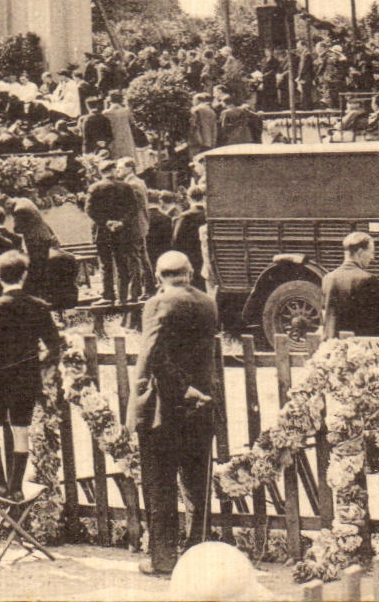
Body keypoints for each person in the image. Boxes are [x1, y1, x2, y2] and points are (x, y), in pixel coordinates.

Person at [130, 251, 221, 577]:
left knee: (160, 486)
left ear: (158, 276)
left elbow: (153, 355)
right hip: (201, 408)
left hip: (163, 410)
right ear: (191, 272)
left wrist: (181, 388)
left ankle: (163, 559)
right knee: (197, 486)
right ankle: (196, 556)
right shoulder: (208, 302)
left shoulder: (159, 302)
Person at [0, 251, 61, 501]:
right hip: (27, 380)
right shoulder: (38, 306)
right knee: (21, 430)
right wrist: (36, 365)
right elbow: (54, 346)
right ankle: (16, 487)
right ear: (24, 275)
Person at [85, 161, 145, 304]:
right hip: (122, 231)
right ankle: (124, 296)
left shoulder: (95, 188)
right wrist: (121, 222)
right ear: (113, 171)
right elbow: (134, 208)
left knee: (105, 264)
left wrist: (106, 222)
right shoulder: (125, 187)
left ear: (101, 172)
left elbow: (90, 210)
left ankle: (108, 295)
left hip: (102, 231)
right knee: (122, 262)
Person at [320, 232, 379, 338]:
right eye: (371, 252)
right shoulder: (368, 279)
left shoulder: (328, 278)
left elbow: (324, 317)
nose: (372, 257)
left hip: (333, 348)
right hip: (359, 348)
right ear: (360, 253)